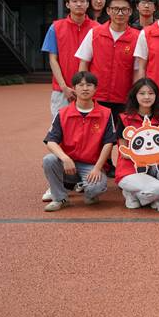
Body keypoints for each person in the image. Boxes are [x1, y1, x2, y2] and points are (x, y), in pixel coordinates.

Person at [42, 72, 115, 212]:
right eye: (80, 85)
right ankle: (60, 199)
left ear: (95, 89)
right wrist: (65, 158)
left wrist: (97, 168)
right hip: (68, 163)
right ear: (74, 88)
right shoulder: (63, 113)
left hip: (90, 164)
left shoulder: (105, 113)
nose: (85, 88)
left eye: (89, 85)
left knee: (96, 187)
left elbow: (109, 143)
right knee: (49, 160)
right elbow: (51, 141)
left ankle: (88, 191)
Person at [76, 0, 139, 123]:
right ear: (108, 10)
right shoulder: (95, 33)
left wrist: (136, 95)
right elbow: (84, 63)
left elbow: (138, 70)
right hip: (97, 96)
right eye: (115, 9)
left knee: (122, 132)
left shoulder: (137, 37)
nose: (120, 13)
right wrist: (83, 88)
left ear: (130, 12)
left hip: (124, 98)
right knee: (95, 131)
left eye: (124, 9)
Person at [116, 78, 159, 212]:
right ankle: (131, 193)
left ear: (156, 96)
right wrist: (144, 157)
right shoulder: (125, 118)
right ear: (135, 96)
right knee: (156, 189)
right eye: (142, 93)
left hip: (154, 167)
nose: (147, 97)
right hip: (130, 168)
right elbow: (123, 152)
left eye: (151, 93)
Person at [42, 0, 98, 118]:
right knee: (60, 126)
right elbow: (53, 59)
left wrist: (87, 87)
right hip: (62, 90)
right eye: (74, 1)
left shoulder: (97, 29)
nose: (79, 4)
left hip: (90, 90)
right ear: (67, 4)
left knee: (89, 127)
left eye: (82, 1)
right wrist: (64, 87)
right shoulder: (55, 27)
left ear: (88, 4)